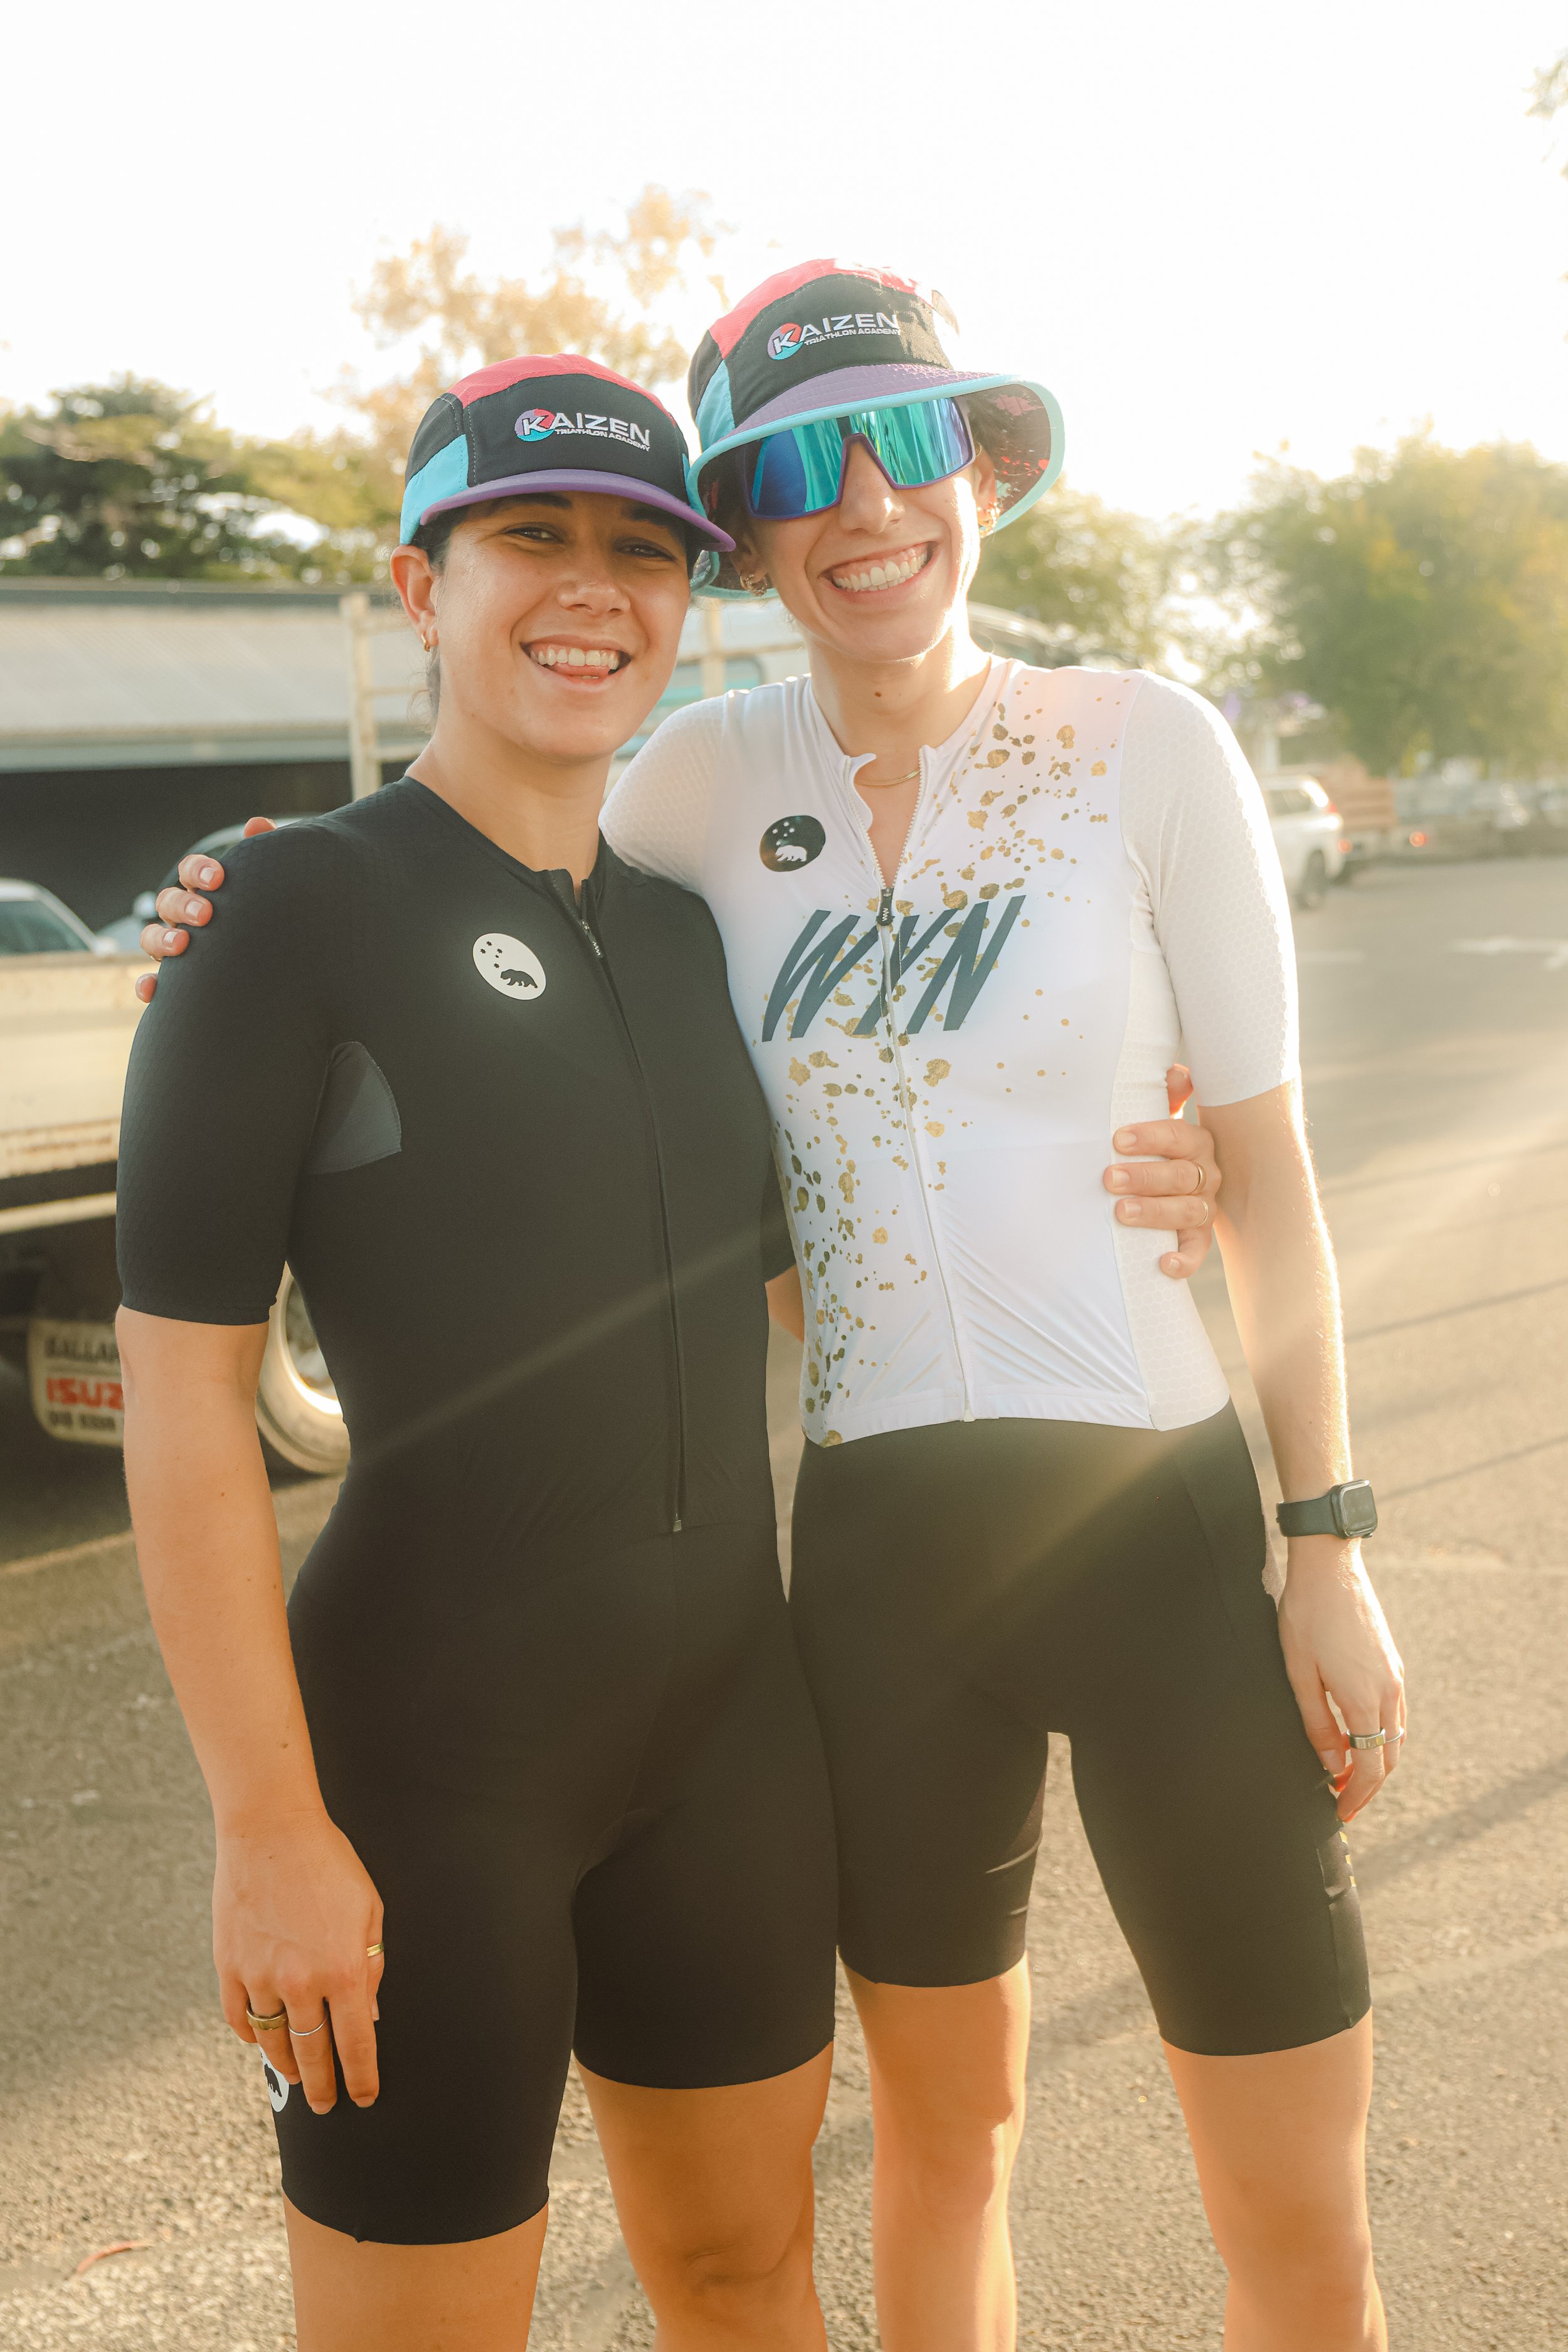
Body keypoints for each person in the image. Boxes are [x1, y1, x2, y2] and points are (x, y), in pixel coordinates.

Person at [115, 356, 845, 2352]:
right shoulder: (288, 912)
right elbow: (182, 1400)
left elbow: (825, 1271)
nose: (590, 589)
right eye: (531, 535)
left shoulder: (697, 931)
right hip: (423, 1783)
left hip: (731, 1751)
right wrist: (267, 1826)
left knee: (748, 2278)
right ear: (415, 583)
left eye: (641, 553)